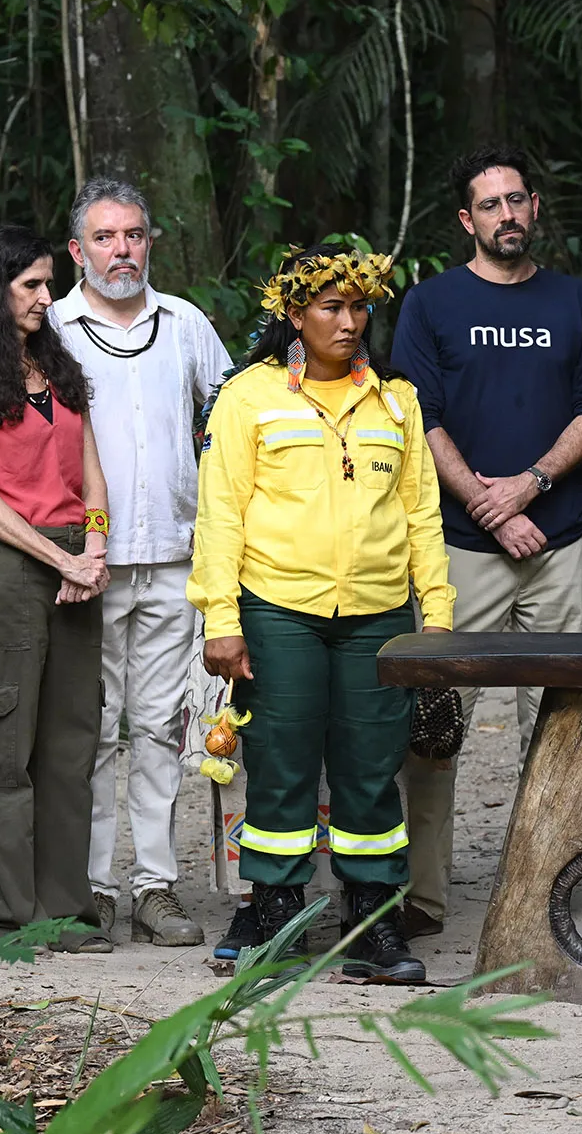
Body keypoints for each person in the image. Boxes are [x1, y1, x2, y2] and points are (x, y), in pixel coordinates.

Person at [189, 245, 455, 983]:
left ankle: (372, 924)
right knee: (282, 767)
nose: (349, 321)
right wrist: (221, 616)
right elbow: (221, 514)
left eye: (358, 306)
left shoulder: (396, 399)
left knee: (372, 770)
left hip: (377, 614)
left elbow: (421, 514)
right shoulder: (249, 397)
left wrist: (435, 612)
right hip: (279, 610)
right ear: (295, 314)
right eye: (331, 307)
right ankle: (277, 916)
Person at [389, 146, 582, 940]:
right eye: (490, 205)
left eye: (517, 200)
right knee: (436, 720)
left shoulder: (575, 300)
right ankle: (423, 894)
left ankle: (550, 876)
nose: (506, 215)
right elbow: (422, 417)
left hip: (560, 544)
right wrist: (491, 506)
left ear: (535, 207)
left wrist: (532, 485)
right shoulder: (431, 304)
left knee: (561, 721)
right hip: (462, 548)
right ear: (467, 220)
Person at [49, 177, 231, 952]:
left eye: (133, 235)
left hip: (174, 560)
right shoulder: (51, 327)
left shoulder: (185, 323)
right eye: (105, 237)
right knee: (89, 730)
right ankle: (89, 887)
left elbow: (227, 419)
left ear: (150, 241)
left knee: (160, 728)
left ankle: (154, 885)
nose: (121, 250)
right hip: (85, 566)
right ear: (76, 250)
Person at [0, 224, 113, 953]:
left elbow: (92, 469)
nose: (48, 297)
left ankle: (65, 914)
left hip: (76, 561)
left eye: (49, 283)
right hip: (7, 569)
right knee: (4, 750)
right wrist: (59, 560)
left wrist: (95, 545)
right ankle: (4, 919)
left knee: (70, 747)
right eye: (32, 285)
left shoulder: (59, 365)